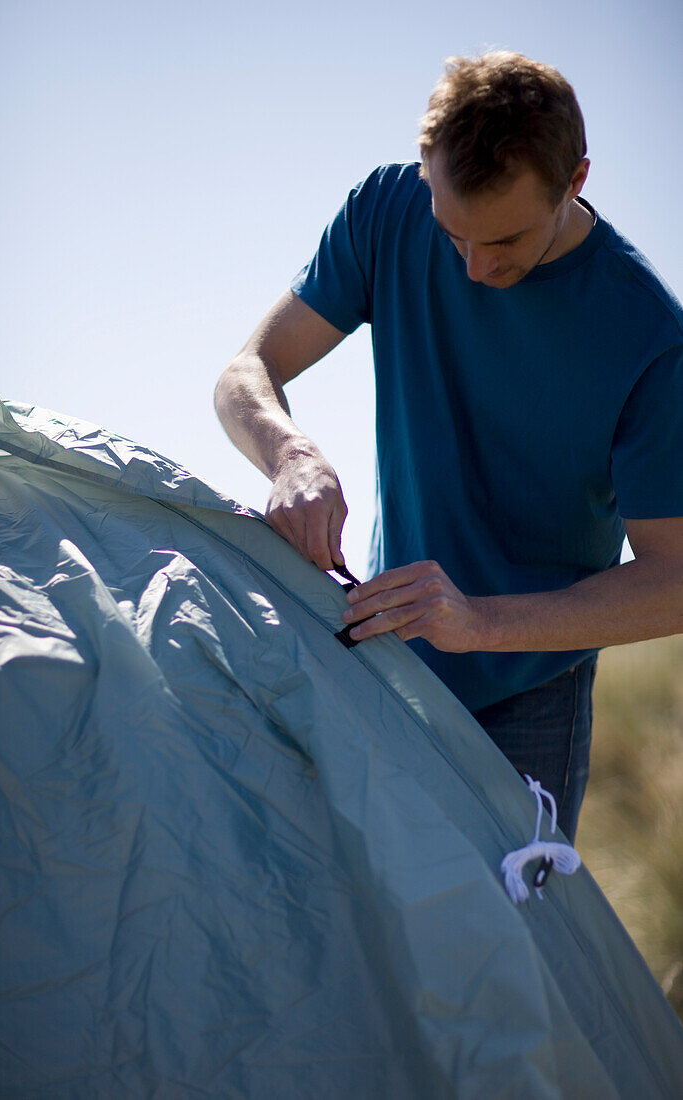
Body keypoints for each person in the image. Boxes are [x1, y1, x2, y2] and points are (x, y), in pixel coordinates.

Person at [214, 51, 683, 841]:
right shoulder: (387, 209)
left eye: (502, 240)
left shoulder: (648, 340)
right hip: (382, 659)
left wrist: (481, 623)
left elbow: (674, 580)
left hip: (531, 688)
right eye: (451, 233)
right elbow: (244, 372)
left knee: (508, 946)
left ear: (575, 181)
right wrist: (288, 452)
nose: (472, 267)